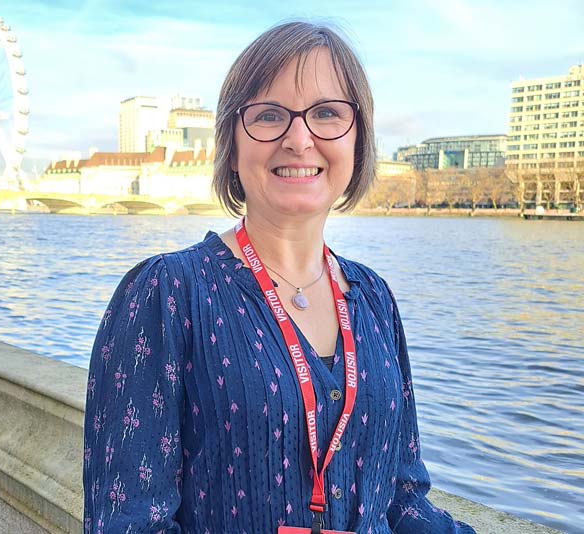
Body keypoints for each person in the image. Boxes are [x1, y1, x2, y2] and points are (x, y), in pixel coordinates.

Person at [83, 21, 476, 534]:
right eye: (269, 116)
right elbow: (128, 522)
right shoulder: (168, 293)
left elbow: (401, 498)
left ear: (358, 139)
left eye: (327, 114)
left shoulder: (374, 299)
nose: (299, 138)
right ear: (232, 142)